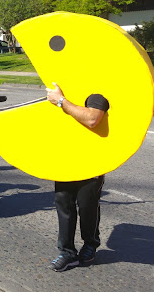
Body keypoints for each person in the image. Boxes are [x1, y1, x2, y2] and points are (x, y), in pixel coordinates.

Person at [44, 83, 109, 272]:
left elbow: (92, 119)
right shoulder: (66, 85)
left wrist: (61, 101)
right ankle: (67, 252)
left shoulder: (95, 92)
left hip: (91, 161)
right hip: (65, 157)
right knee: (63, 204)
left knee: (87, 205)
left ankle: (90, 244)